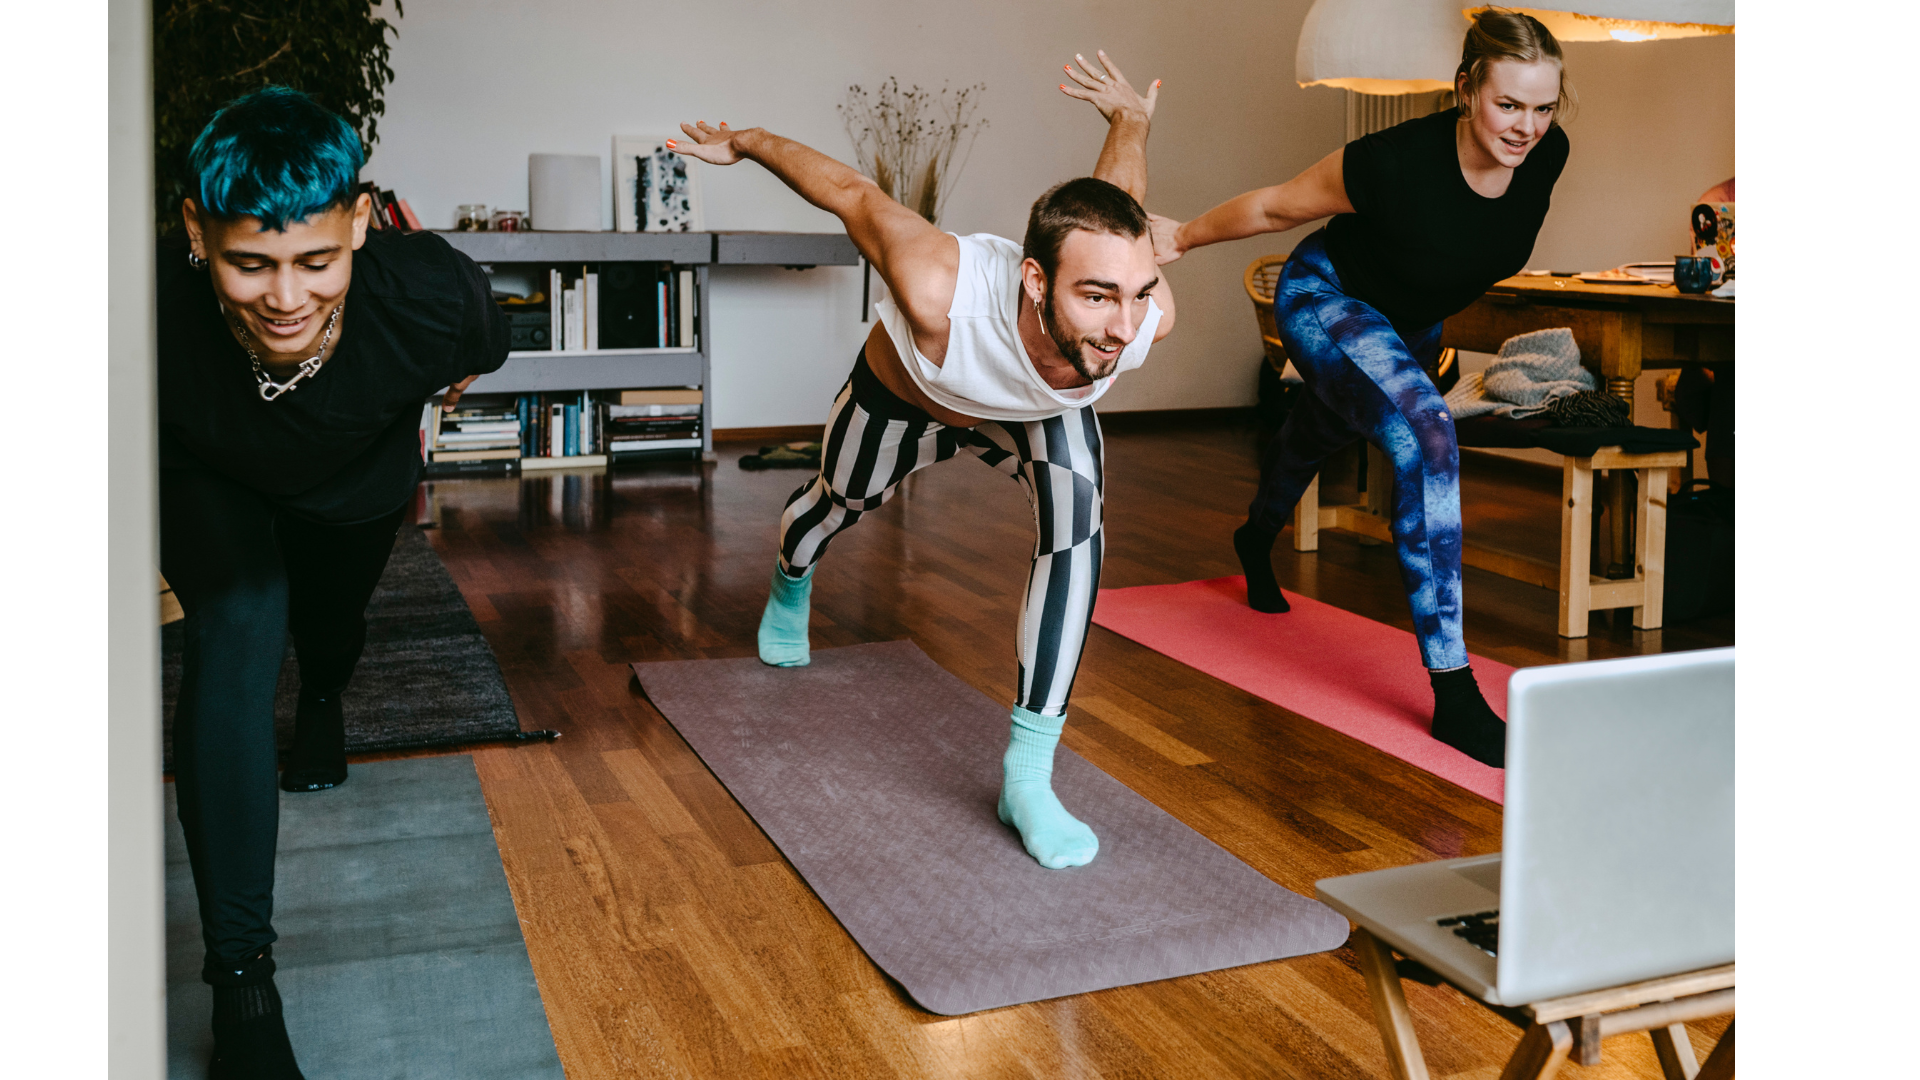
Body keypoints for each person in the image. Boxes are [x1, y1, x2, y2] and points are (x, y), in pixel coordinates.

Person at [668, 51, 1175, 870]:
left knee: (1080, 533)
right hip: (910, 397)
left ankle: (1029, 775)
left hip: (1036, 417)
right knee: (835, 505)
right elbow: (852, 194)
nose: (1122, 327)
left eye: (1137, 295)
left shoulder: (1134, 311)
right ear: (1037, 282)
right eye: (1096, 298)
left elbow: (1124, 213)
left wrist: (1131, 122)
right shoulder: (939, 284)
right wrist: (753, 140)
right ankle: (791, 579)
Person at [161, 86, 506, 1077]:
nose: (285, 298)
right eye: (248, 263)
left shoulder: (434, 295)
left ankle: (321, 697)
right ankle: (241, 991)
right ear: (196, 230)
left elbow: (476, 357)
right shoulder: (141, 300)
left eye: (317, 262)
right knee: (238, 617)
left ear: (360, 222)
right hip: (210, 474)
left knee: (327, 625)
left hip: (355, 481)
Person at [1149, 7, 1574, 768]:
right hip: (1326, 300)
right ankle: (1453, 692)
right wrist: (1177, 238)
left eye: (1544, 108)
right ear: (1467, 88)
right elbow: (1277, 205)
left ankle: (1255, 534)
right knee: (1427, 434)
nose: (1526, 127)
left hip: (1412, 326)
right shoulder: (1392, 161)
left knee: (1324, 424)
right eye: (1509, 104)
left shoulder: (1547, 156)